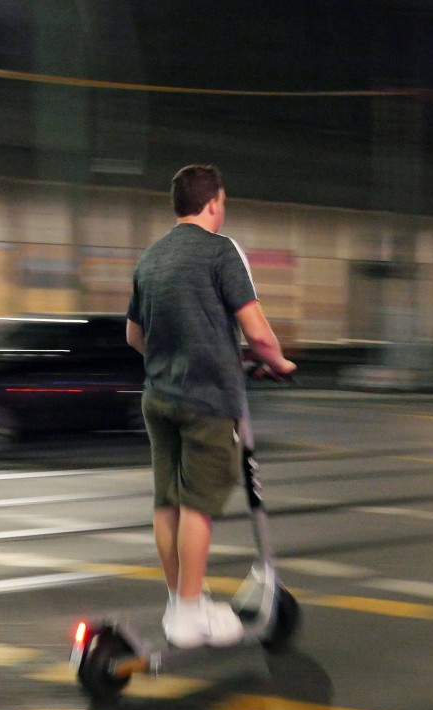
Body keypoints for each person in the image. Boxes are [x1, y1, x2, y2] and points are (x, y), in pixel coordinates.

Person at [125, 164, 297, 648]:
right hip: (207, 403)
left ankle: (181, 600)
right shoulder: (220, 252)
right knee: (198, 505)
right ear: (213, 204)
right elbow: (258, 332)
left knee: (168, 502)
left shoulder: (151, 258)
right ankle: (186, 614)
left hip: (158, 398)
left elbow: (134, 335)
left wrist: (170, 358)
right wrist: (279, 362)